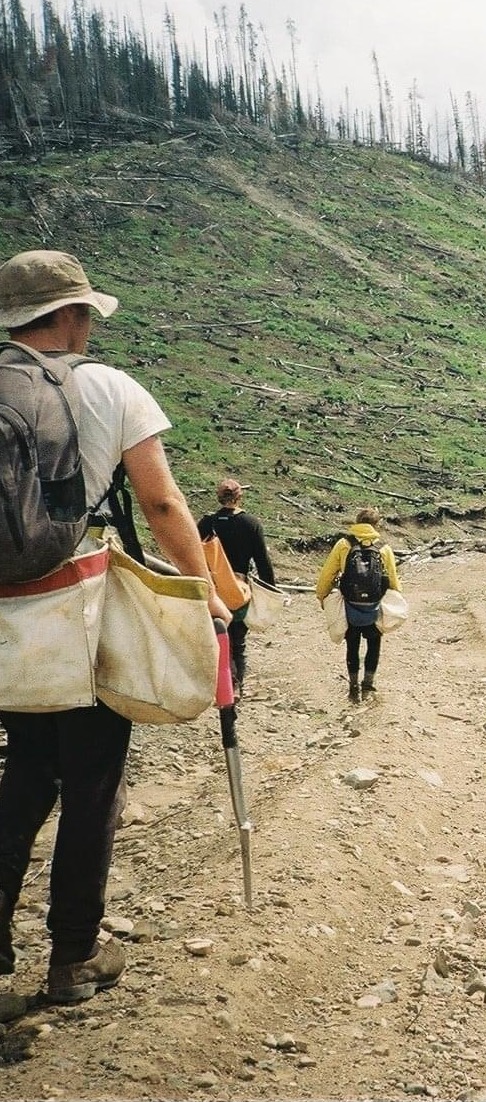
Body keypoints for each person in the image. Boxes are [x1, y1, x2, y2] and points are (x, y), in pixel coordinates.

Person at [0, 250, 232, 1003]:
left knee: (25, 775)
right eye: (87, 315)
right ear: (67, 317)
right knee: (93, 783)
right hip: (81, 610)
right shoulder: (108, 388)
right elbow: (162, 507)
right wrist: (202, 592)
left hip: (8, 619)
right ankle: (72, 958)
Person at [314, 506, 400, 703]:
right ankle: (368, 685)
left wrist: (322, 596)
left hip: (350, 604)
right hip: (374, 605)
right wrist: (395, 600)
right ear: (377, 525)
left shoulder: (344, 544)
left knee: (352, 645)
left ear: (357, 522)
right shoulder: (384, 548)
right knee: (374, 643)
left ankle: (353, 686)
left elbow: (327, 574)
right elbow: (393, 580)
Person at [198, 478, 276, 693]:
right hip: (238, 589)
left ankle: (216, 687)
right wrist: (271, 590)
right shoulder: (251, 523)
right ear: (240, 497)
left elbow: (194, 555)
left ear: (218, 497)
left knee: (214, 638)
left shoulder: (206, 523)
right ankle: (236, 687)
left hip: (210, 590)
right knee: (238, 641)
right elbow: (263, 561)